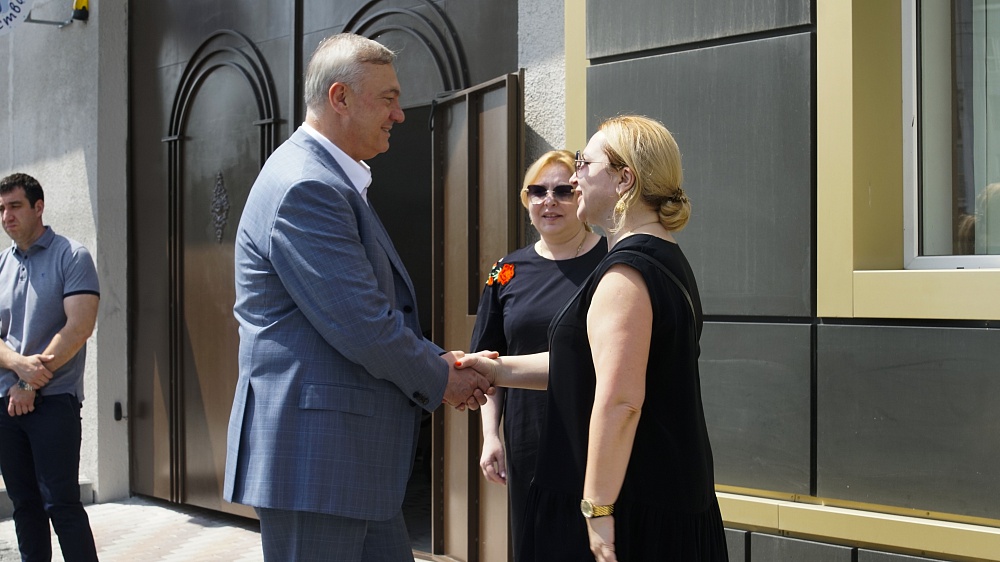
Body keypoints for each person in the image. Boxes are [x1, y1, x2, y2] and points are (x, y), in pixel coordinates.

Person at [224, 33, 493, 561]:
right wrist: (443, 376)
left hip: (343, 463)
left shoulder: (325, 179)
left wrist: (441, 362)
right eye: (388, 99)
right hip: (317, 464)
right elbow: (363, 324)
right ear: (340, 98)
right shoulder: (307, 186)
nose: (399, 115)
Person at [458, 116, 729, 561]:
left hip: (630, 507)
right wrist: (495, 369)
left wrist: (597, 507)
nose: (574, 176)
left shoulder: (625, 273)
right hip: (656, 494)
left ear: (625, 180)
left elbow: (621, 402)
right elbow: (586, 363)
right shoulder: (661, 257)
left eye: (584, 163)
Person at [471, 150, 605, 556]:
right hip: (528, 437)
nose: (550, 201)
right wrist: (490, 436)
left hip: (594, 434)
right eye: (538, 191)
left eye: (563, 191)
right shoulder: (505, 270)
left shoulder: (612, 262)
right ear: (525, 200)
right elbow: (488, 361)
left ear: (581, 196)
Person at [0, 172, 101, 562]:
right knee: (24, 505)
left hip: (55, 401)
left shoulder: (72, 256)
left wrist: (29, 383)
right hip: (6, 404)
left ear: (38, 207)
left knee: (61, 504)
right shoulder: (2, 265)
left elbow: (79, 327)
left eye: (15, 206)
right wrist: (19, 368)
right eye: (1, 209)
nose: (6, 216)